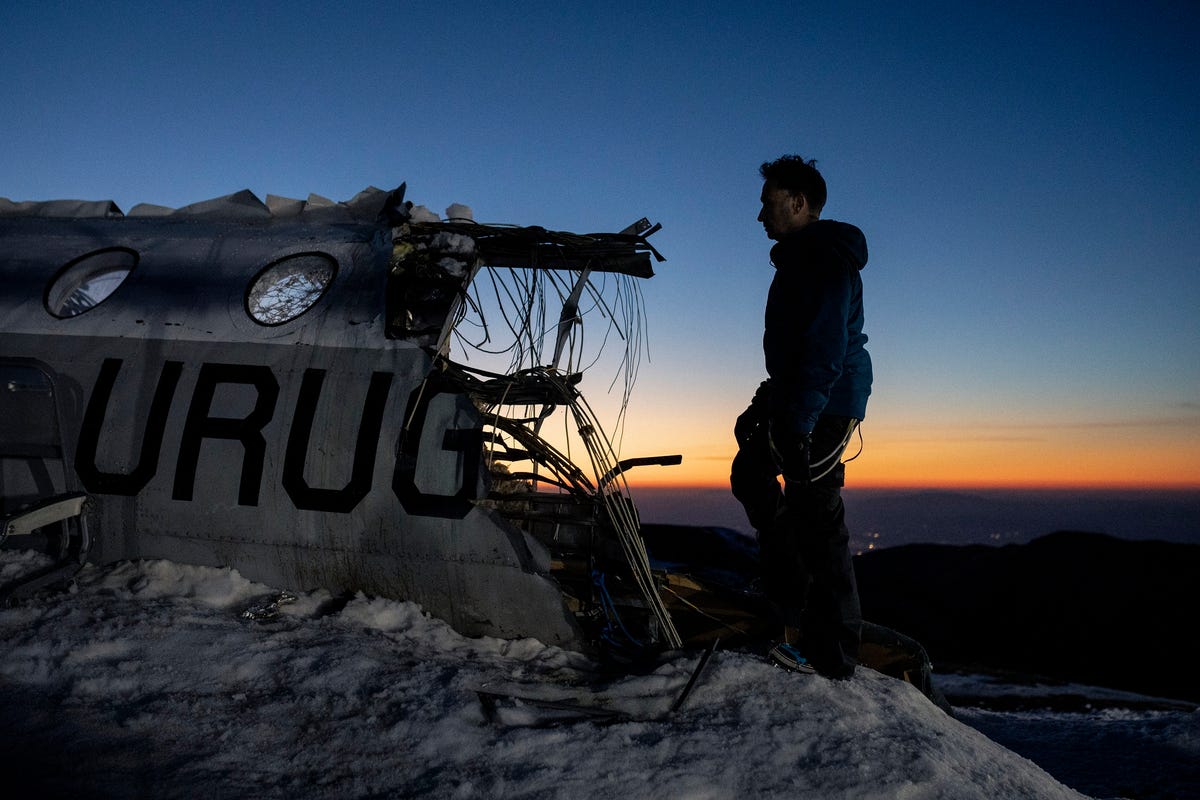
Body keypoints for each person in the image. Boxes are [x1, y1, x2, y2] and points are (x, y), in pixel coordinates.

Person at [731, 155, 872, 679]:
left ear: (799, 203)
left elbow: (825, 352)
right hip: (800, 393)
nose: (759, 214)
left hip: (828, 400)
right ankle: (789, 598)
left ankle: (833, 652)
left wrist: (799, 421)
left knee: (816, 508)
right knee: (752, 474)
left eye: (768, 203)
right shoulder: (800, 258)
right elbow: (795, 353)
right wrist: (765, 404)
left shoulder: (823, 261)